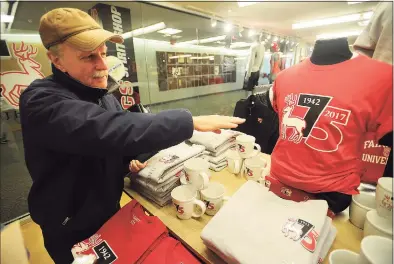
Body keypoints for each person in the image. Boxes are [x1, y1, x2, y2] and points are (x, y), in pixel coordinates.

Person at [19, 8, 245, 263]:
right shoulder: (41, 101)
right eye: (89, 57)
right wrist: (189, 122)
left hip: (108, 209)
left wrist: (126, 161)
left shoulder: (101, 96)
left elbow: (117, 141)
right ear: (56, 60)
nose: (103, 66)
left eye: (104, 54)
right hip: (70, 223)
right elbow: (105, 130)